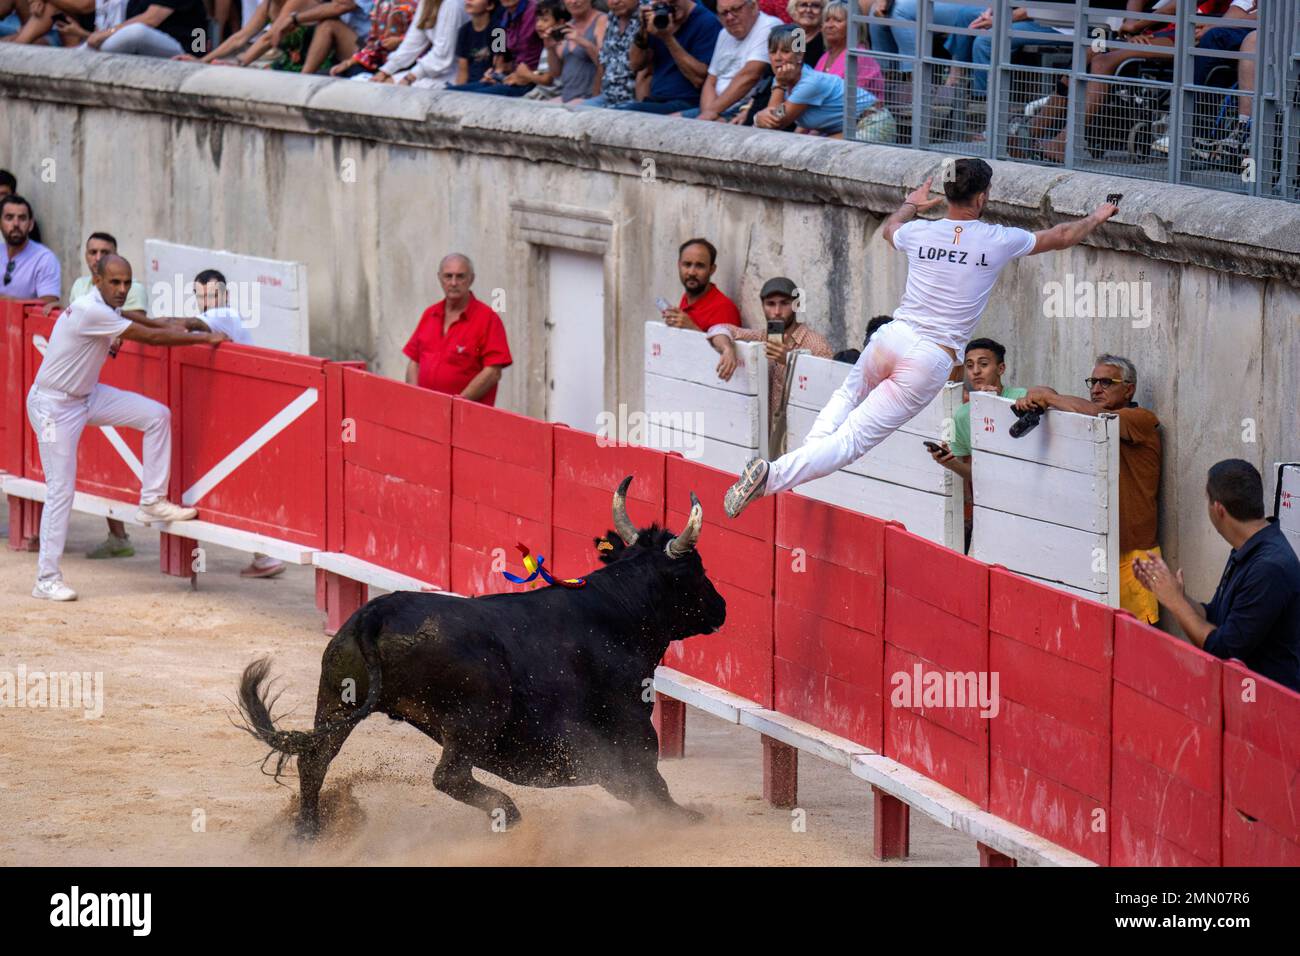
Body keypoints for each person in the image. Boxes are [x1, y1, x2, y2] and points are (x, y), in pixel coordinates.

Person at [722, 157, 1119, 518]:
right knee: (853, 441)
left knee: (844, 400)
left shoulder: (919, 233)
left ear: (946, 194)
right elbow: (1063, 234)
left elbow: (889, 229)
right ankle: (772, 476)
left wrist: (912, 202)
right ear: (982, 197)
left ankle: (786, 466)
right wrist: (1098, 216)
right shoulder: (998, 239)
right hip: (929, 357)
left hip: (892, 336)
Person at [27, 254, 228, 602]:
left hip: (85, 396)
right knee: (60, 490)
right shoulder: (91, 310)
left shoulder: (106, 309)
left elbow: (148, 322)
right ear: (97, 282)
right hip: (53, 408)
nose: (122, 289)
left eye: (127, 283)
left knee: (156, 415)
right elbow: (149, 337)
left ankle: (151, 500)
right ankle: (46, 578)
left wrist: (189, 323)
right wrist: (201, 339)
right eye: (115, 283)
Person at [1013, 355, 1161, 624]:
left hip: (1134, 557)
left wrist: (1050, 400)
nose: (1096, 389)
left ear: (1129, 389)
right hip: (1096, 550)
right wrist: (1037, 396)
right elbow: (1043, 392)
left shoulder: (1140, 419)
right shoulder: (1082, 418)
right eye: (1093, 382)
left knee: (1139, 644)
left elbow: (1099, 416)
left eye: (1107, 382)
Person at [1133, 459, 1300, 693]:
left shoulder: (1269, 568)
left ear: (1218, 509)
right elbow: (1216, 616)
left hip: (1271, 712)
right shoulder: (1247, 549)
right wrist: (1174, 593)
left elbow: (1224, 649)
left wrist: (1176, 603)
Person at [181, 269, 287, 579]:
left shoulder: (224, 315)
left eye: (212, 295)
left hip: (238, 414)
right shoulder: (214, 319)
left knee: (236, 482)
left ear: (225, 296)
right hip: (230, 414)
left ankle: (264, 555)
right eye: (201, 297)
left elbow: (187, 330)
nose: (207, 302)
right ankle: (262, 555)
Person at [62, 231, 148, 562]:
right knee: (101, 457)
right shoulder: (81, 288)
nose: (97, 257)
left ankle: (122, 532)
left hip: (118, 382)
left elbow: (138, 326)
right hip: (88, 384)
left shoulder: (127, 287)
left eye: (105, 251)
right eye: (93, 252)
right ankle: (117, 535)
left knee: (120, 457)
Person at [708, 275, 833, 437]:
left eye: (784, 303)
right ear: (762, 306)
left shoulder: (816, 344)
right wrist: (727, 348)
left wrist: (790, 361)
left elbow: (827, 386)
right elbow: (719, 329)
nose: (777, 312)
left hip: (801, 436)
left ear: (797, 305)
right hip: (765, 438)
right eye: (770, 304)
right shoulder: (761, 338)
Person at [403, 253, 512, 405]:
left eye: (460, 276)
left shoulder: (488, 319)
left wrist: (457, 405)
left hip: (466, 418)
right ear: (439, 278)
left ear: (471, 279)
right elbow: (414, 361)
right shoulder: (430, 314)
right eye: (448, 276)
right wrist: (415, 398)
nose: (453, 283)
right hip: (425, 413)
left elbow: (493, 372)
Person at [929, 336, 1025, 485]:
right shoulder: (961, 416)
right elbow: (977, 476)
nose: (976, 371)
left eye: (984, 364)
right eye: (969, 365)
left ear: (1001, 368)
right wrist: (950, 463)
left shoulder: (1022, 397)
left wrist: (994, 403)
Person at [748, 22, 867, 137]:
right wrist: (758, 118)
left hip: (871, 122)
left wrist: (779, 85)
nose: (777, 58)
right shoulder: (782, 77)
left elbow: (776, 122)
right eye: (772, 52)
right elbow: (772, 117)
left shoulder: (809, 83)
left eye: (785, 51)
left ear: (799, 55)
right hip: (848, 128)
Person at [615, 0, 721, 114]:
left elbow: (699, 80)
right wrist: (643, 29)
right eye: (664, 3)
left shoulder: (706, 22)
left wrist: (668, 38)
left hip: (688, 103)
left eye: (674, 1)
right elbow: (635, 64)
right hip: (657, 100)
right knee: (611, 113)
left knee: (623, 113)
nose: (670, 7)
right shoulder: (659, 18)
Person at [685, 0, 778, 121]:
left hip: (742, 110)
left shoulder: (769, 26)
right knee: (671, 123)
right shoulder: (724, 33)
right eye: (724, 13)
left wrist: (711, 113)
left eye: (736, 9)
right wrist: (709, 113)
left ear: (754, 7)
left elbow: (750, 75)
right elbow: (711, 80)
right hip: (713, 109)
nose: (729, 17)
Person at [444, 0, 543, 95]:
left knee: (469, 97)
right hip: (499, 79)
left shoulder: (498, 28)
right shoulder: (505, 17)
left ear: (490, 5)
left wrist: (525, 74)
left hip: (527, 82)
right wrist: (495, 74)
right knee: (448, 93)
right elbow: (498, 66)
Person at [371, 0, 469, 87]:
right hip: (434, 70)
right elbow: (412, 43)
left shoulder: (452, 4)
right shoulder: (426, 3)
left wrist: (410, 77)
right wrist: (385, 71)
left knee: (391, 89)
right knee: (381, 85)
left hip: (455, 73)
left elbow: (442, 54)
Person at [659, 238, 741, 333]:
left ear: (712, 269)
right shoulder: (687, 298)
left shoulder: (724, 309)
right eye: (687, 264)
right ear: (679, 265)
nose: (691, 272)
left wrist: (692, 328)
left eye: (700, 266)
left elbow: (727, 348)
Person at [85, 0, 209, 57]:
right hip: (155, 47)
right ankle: (84, 53)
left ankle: (94, 53)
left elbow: (151, 19)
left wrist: (106, 34)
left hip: (186, 52)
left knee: (137, 32)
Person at [328, 0, 416, 77]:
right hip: (381, 62)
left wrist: (400, 41)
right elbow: (373, 43)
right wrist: (349, 62)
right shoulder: (380, 4)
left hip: (408, 66)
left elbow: (422, 40)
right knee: (344, 74)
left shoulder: (417, 5)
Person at [1, 194, 59, 306]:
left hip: (21, 323)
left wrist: (6, 302)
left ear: (31, 224)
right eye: (9, 218)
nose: (16, 224)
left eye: (22, 218)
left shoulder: (44, 258)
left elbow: (48, 303)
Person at [816, 0, 881, 100]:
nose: (829, 25)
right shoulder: (825, 56)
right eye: (827, 20)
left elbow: (853, 100)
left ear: (854, 25)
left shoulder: (859, 56)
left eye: (837, 20)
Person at [582, 0, 637, 107]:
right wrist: (596, 96)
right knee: (580, 112)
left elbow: (646, 72)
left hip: (632, 99)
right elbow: (603, 62)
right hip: (607, 97)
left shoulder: (645, 18)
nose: (615, 1)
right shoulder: (612, 17)